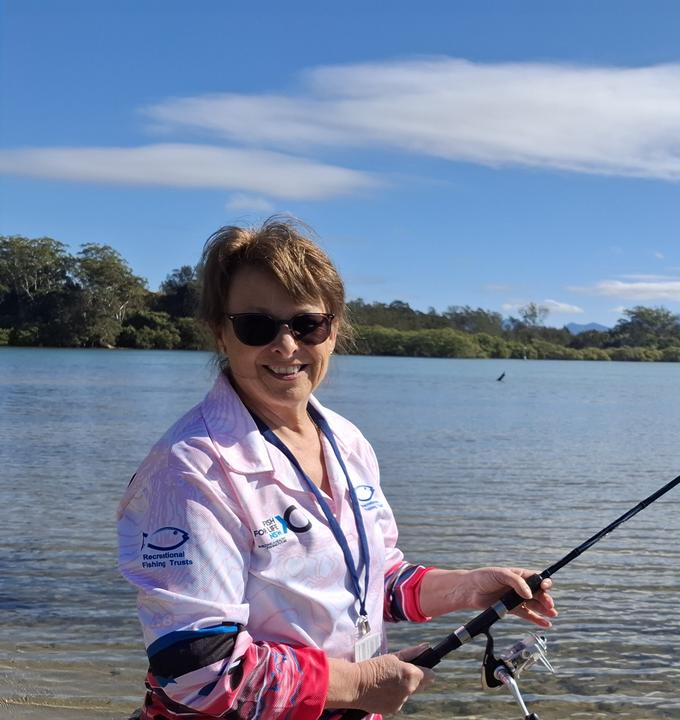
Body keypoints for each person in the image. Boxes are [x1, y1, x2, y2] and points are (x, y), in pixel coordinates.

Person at [117, 217, 556, 719]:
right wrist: (358, 682)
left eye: (307, 324)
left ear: (333, 329)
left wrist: (468, 587)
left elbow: (375, 581)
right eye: (256, 326)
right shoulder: (189, 470)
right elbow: (196, 671)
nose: (286, 346)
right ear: (220, 333)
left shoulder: (346, 439)